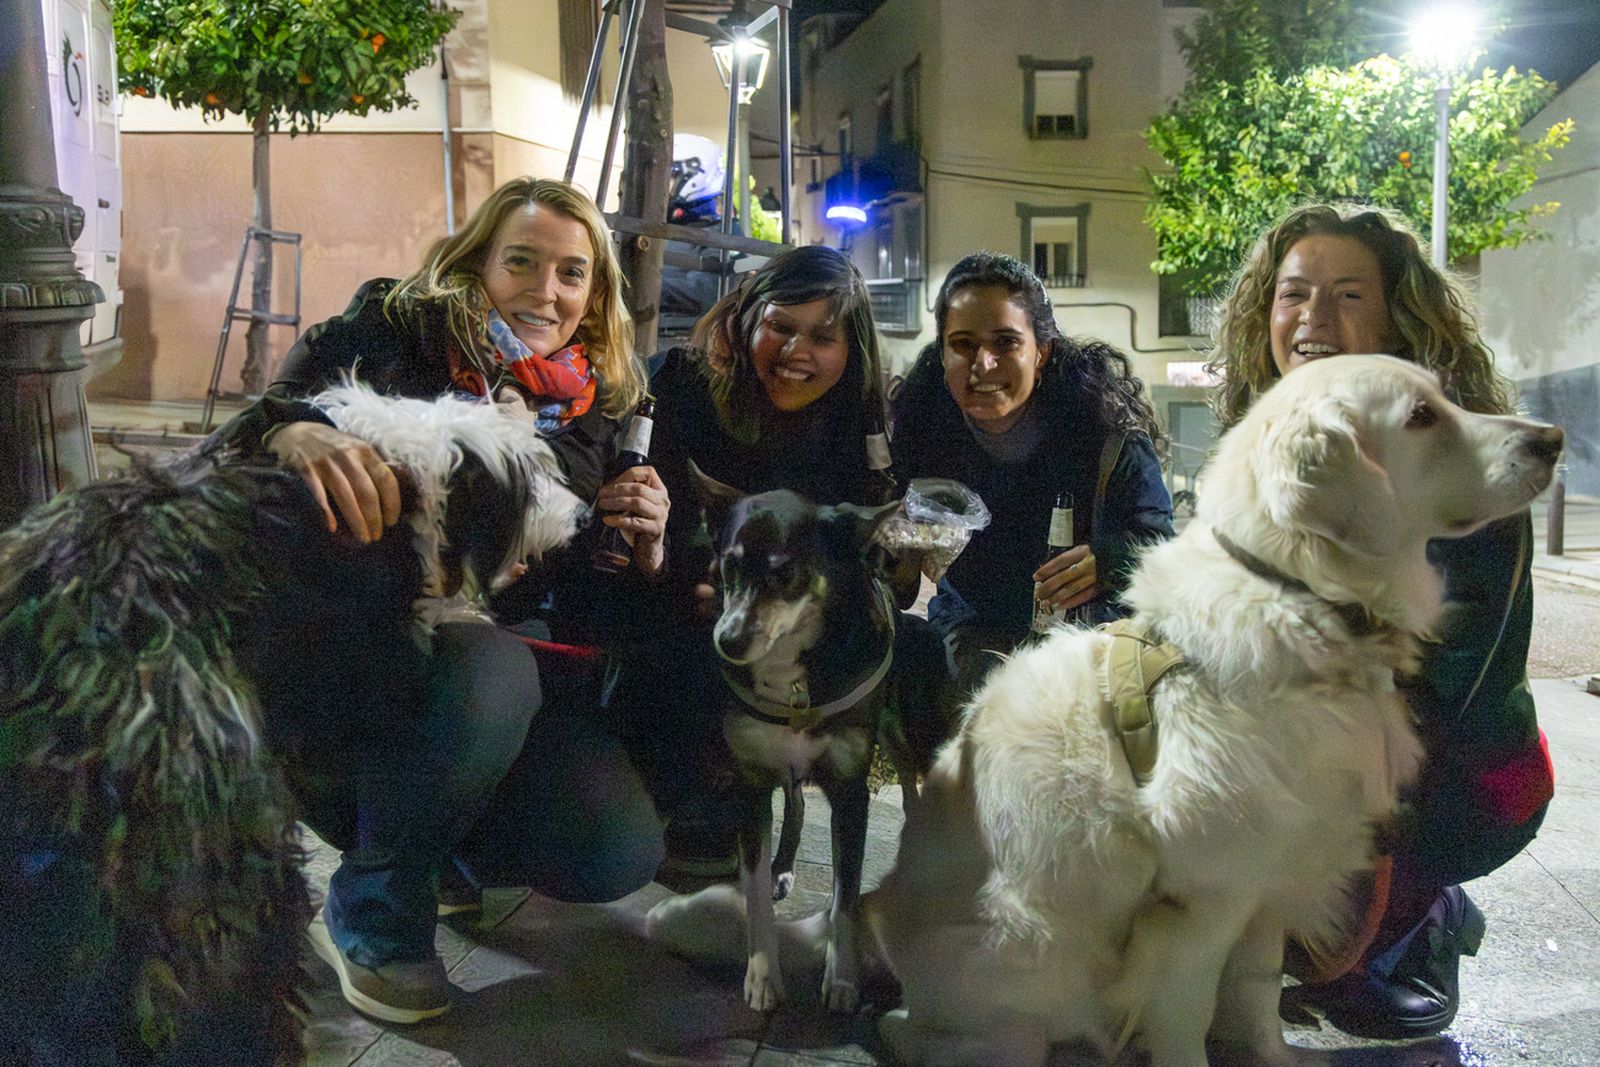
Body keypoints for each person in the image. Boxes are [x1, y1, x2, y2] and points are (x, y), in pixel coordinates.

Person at [210, 177, 669, 1024]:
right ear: (478, 262)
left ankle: (433, 847)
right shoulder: (393, 330)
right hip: (358, 664)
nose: (546, 290)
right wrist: (290, 429)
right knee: (489, 666)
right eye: (521, 262)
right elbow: (240, 440)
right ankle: (373, 910)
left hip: (499, 689)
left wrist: (646, 553)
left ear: (595, 292)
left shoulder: (600, 406)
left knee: (615, 850)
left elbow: (585, 601)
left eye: (572, 273)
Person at [1209, 202, 1554, 1039]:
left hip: (1460, 775)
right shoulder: (1278, 450)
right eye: (1294, 293)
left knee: (1315, 934)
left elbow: (1427, 695)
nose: (1313, 318)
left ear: (1398, 319)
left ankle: (1416, 921)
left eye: (1349, 295)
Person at [624, 244, 897, 878]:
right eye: (781, 326)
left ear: (851, 350)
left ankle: (769, 796)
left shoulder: (858, 426)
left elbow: (865, 564)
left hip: (781, 641)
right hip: (675, 617)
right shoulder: (681, 384)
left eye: (823, 337)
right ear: (749, 319)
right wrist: (691, 574)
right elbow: (651, 515)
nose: (797, 352)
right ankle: (694, 796)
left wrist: (895, 564)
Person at [890, 252, 1174, 708]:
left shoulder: (1106, 437)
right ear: (942, 352)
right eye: (962, 344)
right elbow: (899, 585)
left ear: (1041, 353)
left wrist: (1108, 562)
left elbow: (1163, 552)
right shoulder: (920, 435)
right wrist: (899, 555)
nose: (983, 364)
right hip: (969, 640)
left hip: (1084, 644)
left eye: (1005, 343)